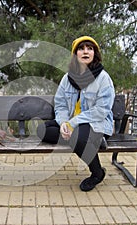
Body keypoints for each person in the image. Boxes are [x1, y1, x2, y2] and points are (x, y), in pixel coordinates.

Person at [37, 36, 115, 191]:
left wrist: (72, 124)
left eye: (90, 48)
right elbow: (60, 105)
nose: (86, 51)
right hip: (72, 124)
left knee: (79, 136)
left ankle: (97, 173)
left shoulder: (103, 78)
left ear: (95, 53)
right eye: (81, 48)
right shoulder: (67, 78)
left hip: (96, 123)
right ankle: (89, 142)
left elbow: (101, 110)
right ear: (75, 53)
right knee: (42, 130)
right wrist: (64, 123)